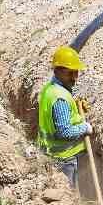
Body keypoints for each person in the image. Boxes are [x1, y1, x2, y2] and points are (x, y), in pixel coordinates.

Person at [37, 46, 90, 191]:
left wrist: (77, 110)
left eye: (76, 72)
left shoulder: (49, 88)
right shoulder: (60, 98)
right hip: (63, 159)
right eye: (70, 73)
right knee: (66, 195)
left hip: (49, 154)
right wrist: (85, 127)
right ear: (57, 70)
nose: (74, 78)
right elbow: (64, 132)